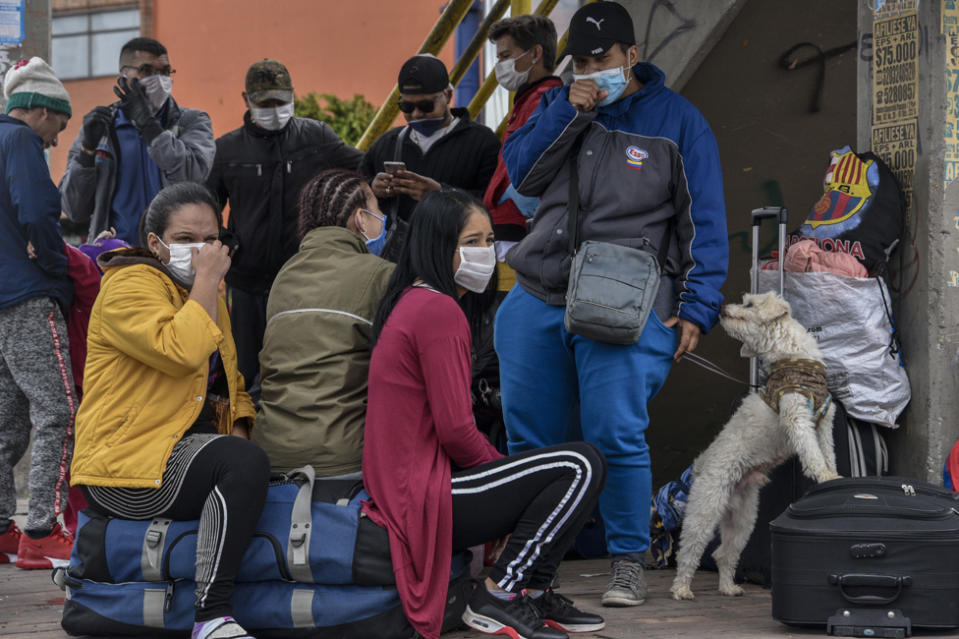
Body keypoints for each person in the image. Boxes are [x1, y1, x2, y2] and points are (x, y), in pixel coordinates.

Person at [496, 1, 729, 607]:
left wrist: (698, 309)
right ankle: (533, 561)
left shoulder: (679, 122)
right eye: (581, 59)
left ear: (631, 55)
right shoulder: (559, 104)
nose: (592, 68)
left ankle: (627, 561)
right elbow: (520, 175)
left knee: (614, 434)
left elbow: (702, 222)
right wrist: (566, 116)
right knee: (530, 441)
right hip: (538, 287)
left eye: (603, 58)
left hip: (627, 298)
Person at [362, 189, 607, 639]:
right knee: (580, 464)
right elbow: (456, 429)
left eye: (489, 240)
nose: (486, 253)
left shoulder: (416, 302)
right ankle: (500, 594)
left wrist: (507, 484)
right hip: (421, 495)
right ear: (438, 245)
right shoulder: (436, 309)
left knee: (565, 468)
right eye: (470, 242)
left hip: (407, 487)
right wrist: (504, 477)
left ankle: (531, 592)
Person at [70, 182, 268, 639]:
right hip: (123, 468)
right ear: (155, 244)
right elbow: (179, 349)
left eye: (211, 238)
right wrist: (206, 280)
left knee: (249, 460)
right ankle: (210, 617)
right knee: (241, 463)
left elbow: (233, 380)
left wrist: (238, 431)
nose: (201, 251)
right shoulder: (128, 286)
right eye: (184, 239)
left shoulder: (206, 295)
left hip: (179, 455)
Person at [207, 59, 364, 396]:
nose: (274, 110)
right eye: (265, 103)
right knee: (244, 372)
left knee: (302, 366)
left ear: (293, 96)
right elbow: (207, 206)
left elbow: (362, 168)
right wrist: (227, 242)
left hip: (304, 279)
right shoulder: (227, 149)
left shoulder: (316, 137)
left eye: (280, 101)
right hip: (246, 283)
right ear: (246, 99)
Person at [253, 169, 393, 474]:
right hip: (342, 456)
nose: (382, 218)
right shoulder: (381, 273)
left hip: (270, 449)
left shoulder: (285, 274)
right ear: (360, 218)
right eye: (377, 209)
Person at [0, 57, 76, 570]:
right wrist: (55, 266)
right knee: (59, 411)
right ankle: (43, 531)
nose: (54, 140)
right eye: (58, 125)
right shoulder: (20, 139)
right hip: (28, 297)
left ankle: (2, 527)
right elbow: (39, 211)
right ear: (37, 109)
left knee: (5, 422)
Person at [60, 37, 215, 246]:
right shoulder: (102, 129)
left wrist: (149, 126)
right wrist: (86, 153)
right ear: (124, 76)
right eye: (147, 70)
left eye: (165, 71)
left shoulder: (191, 121)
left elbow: (192, 176)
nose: (159, 79)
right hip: (115, 257)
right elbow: (74, 210)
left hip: (173, 254)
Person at [361, 54, 500, 256]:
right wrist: (373, 188)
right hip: (399, 259)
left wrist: (442, 194)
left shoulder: (483, 142)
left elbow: (494, 205)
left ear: (447, 96)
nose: (416, 114)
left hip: (455, 259)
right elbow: (355, 193)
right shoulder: (387, 143)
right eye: (407, 107)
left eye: (426, 106)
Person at [484, 14, 563, 289]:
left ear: (535, 54)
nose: (500, 66)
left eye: (506, 56)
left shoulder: (546, 101)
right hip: (512, 232)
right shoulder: (531, 99)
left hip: (520, 236)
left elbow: (529, 174)